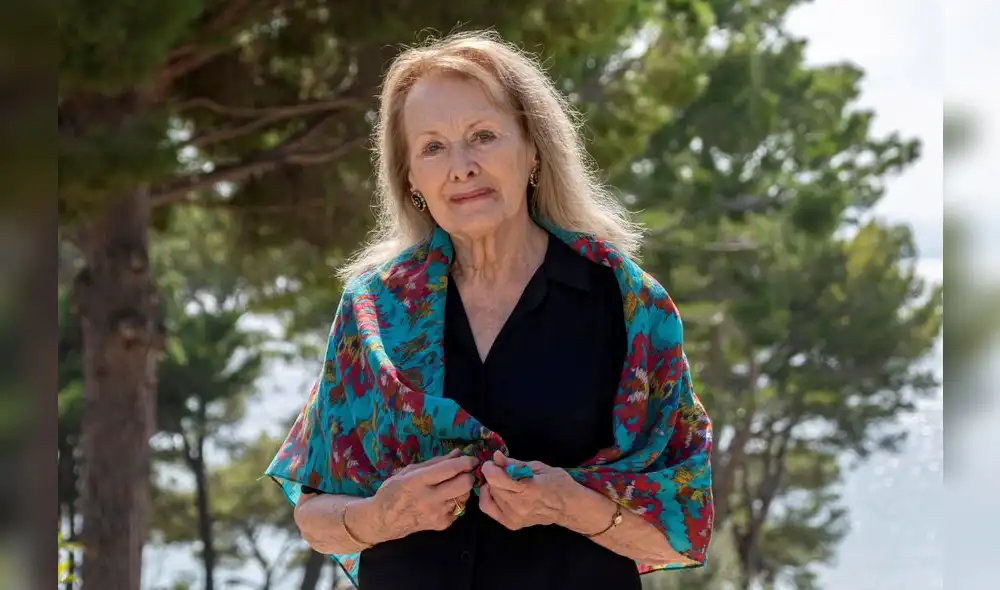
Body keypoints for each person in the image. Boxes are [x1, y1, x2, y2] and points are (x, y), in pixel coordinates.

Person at [265, 30, 714, 590]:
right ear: (411, 179)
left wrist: (569, 506)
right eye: (433, 147)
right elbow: (314, 518)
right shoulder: (372, 312)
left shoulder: (629, 306)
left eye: (483, 136)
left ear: (532, 149)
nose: (462, 166)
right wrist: (380, 515)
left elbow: (681, 530)